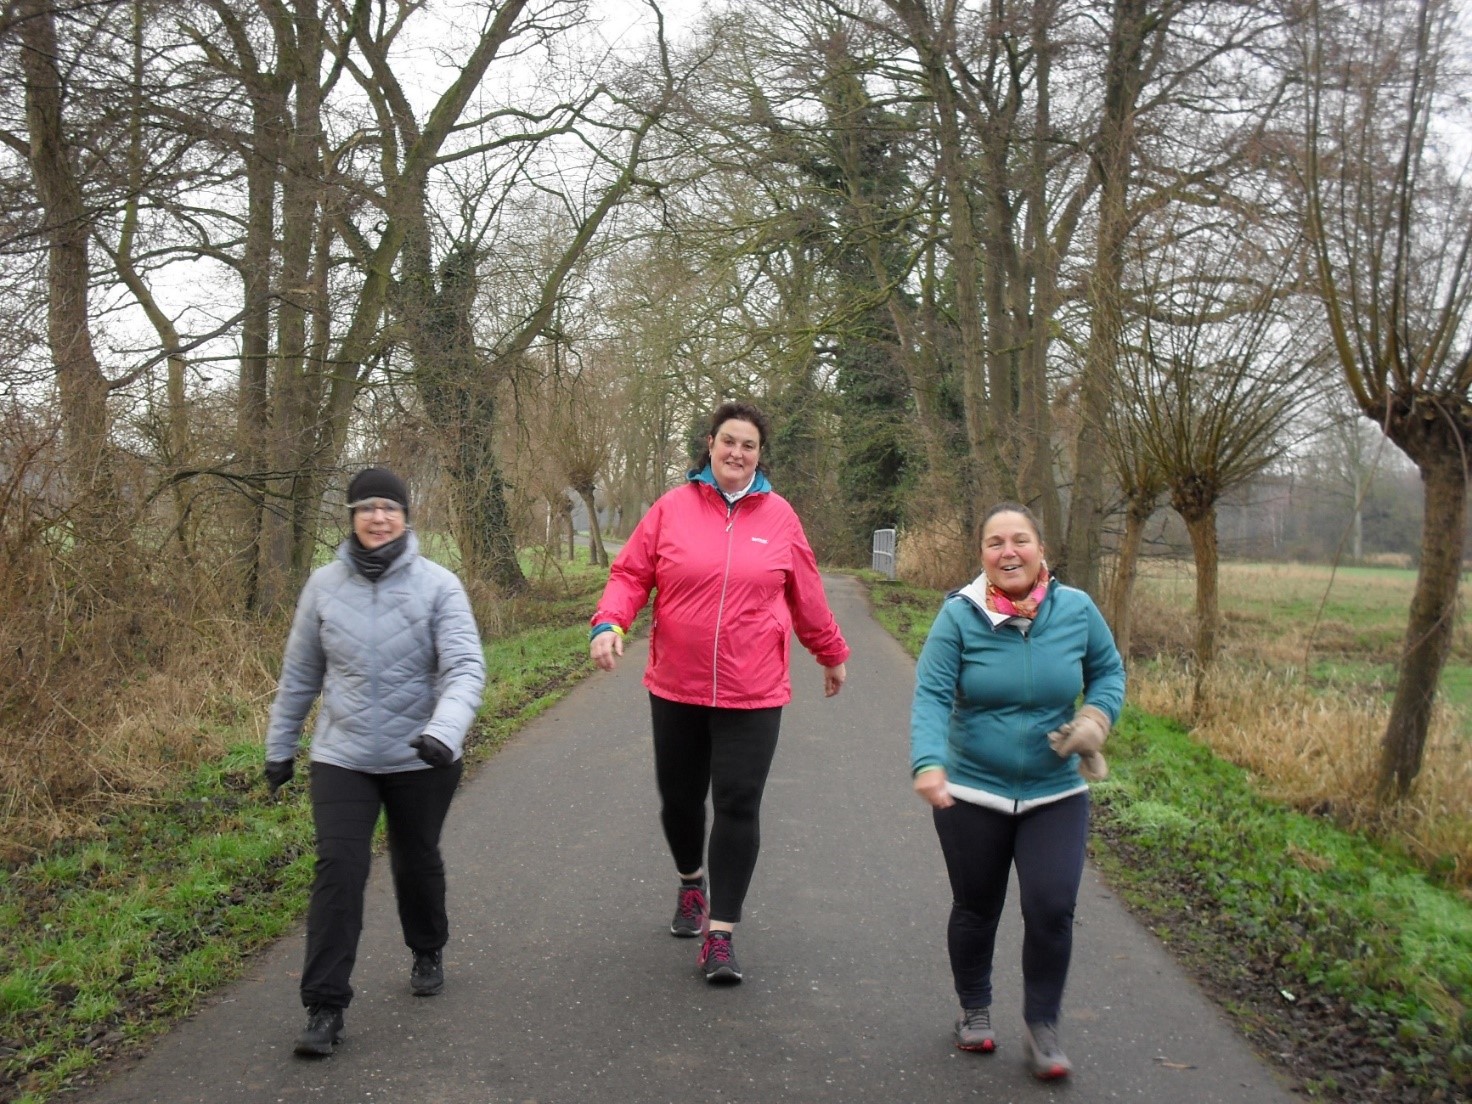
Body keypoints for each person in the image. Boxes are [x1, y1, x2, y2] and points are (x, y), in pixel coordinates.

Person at [589, 400, 850, 984]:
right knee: (680, 799)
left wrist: (830, 653)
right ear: (710, 445)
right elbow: (631, 573)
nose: (737, 453)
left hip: (752, 689)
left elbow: (806, 593)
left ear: (761, 455)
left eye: (749, 445)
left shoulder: (781, 517)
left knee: (737, 802)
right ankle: (690, 882)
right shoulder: (671, 510)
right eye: (728, 441)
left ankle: (721, 934)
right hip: (676, 684)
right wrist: (610, 623)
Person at [264, 467, 486, 1057]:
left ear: (406, 515)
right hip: (345, 754)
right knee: (339, 867)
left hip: (423, 755)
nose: (378, 517)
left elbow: (466, 668)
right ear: (352, 517)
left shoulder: (439, 585)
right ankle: (324, 1006)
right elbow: (301, 674)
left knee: (415, 859)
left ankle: (427, 946)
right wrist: (279, 746)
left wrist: (443, 730)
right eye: (366, 507)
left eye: (389, 506)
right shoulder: (322, 586)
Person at [909, 503, 1125, 1080]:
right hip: (972, 790)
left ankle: (1042, 1027)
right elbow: (931, 694)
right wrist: (929, 761)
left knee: (1052, 908)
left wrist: (1097, 719)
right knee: (977, 906)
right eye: (996, 543)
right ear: (982, 555)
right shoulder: (959, 615)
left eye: (1020, 540)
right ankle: (974, 1010)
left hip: (1055, 791)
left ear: (1040, 548)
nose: (1009, 552)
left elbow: (1109, 672)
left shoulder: (1076, 609)